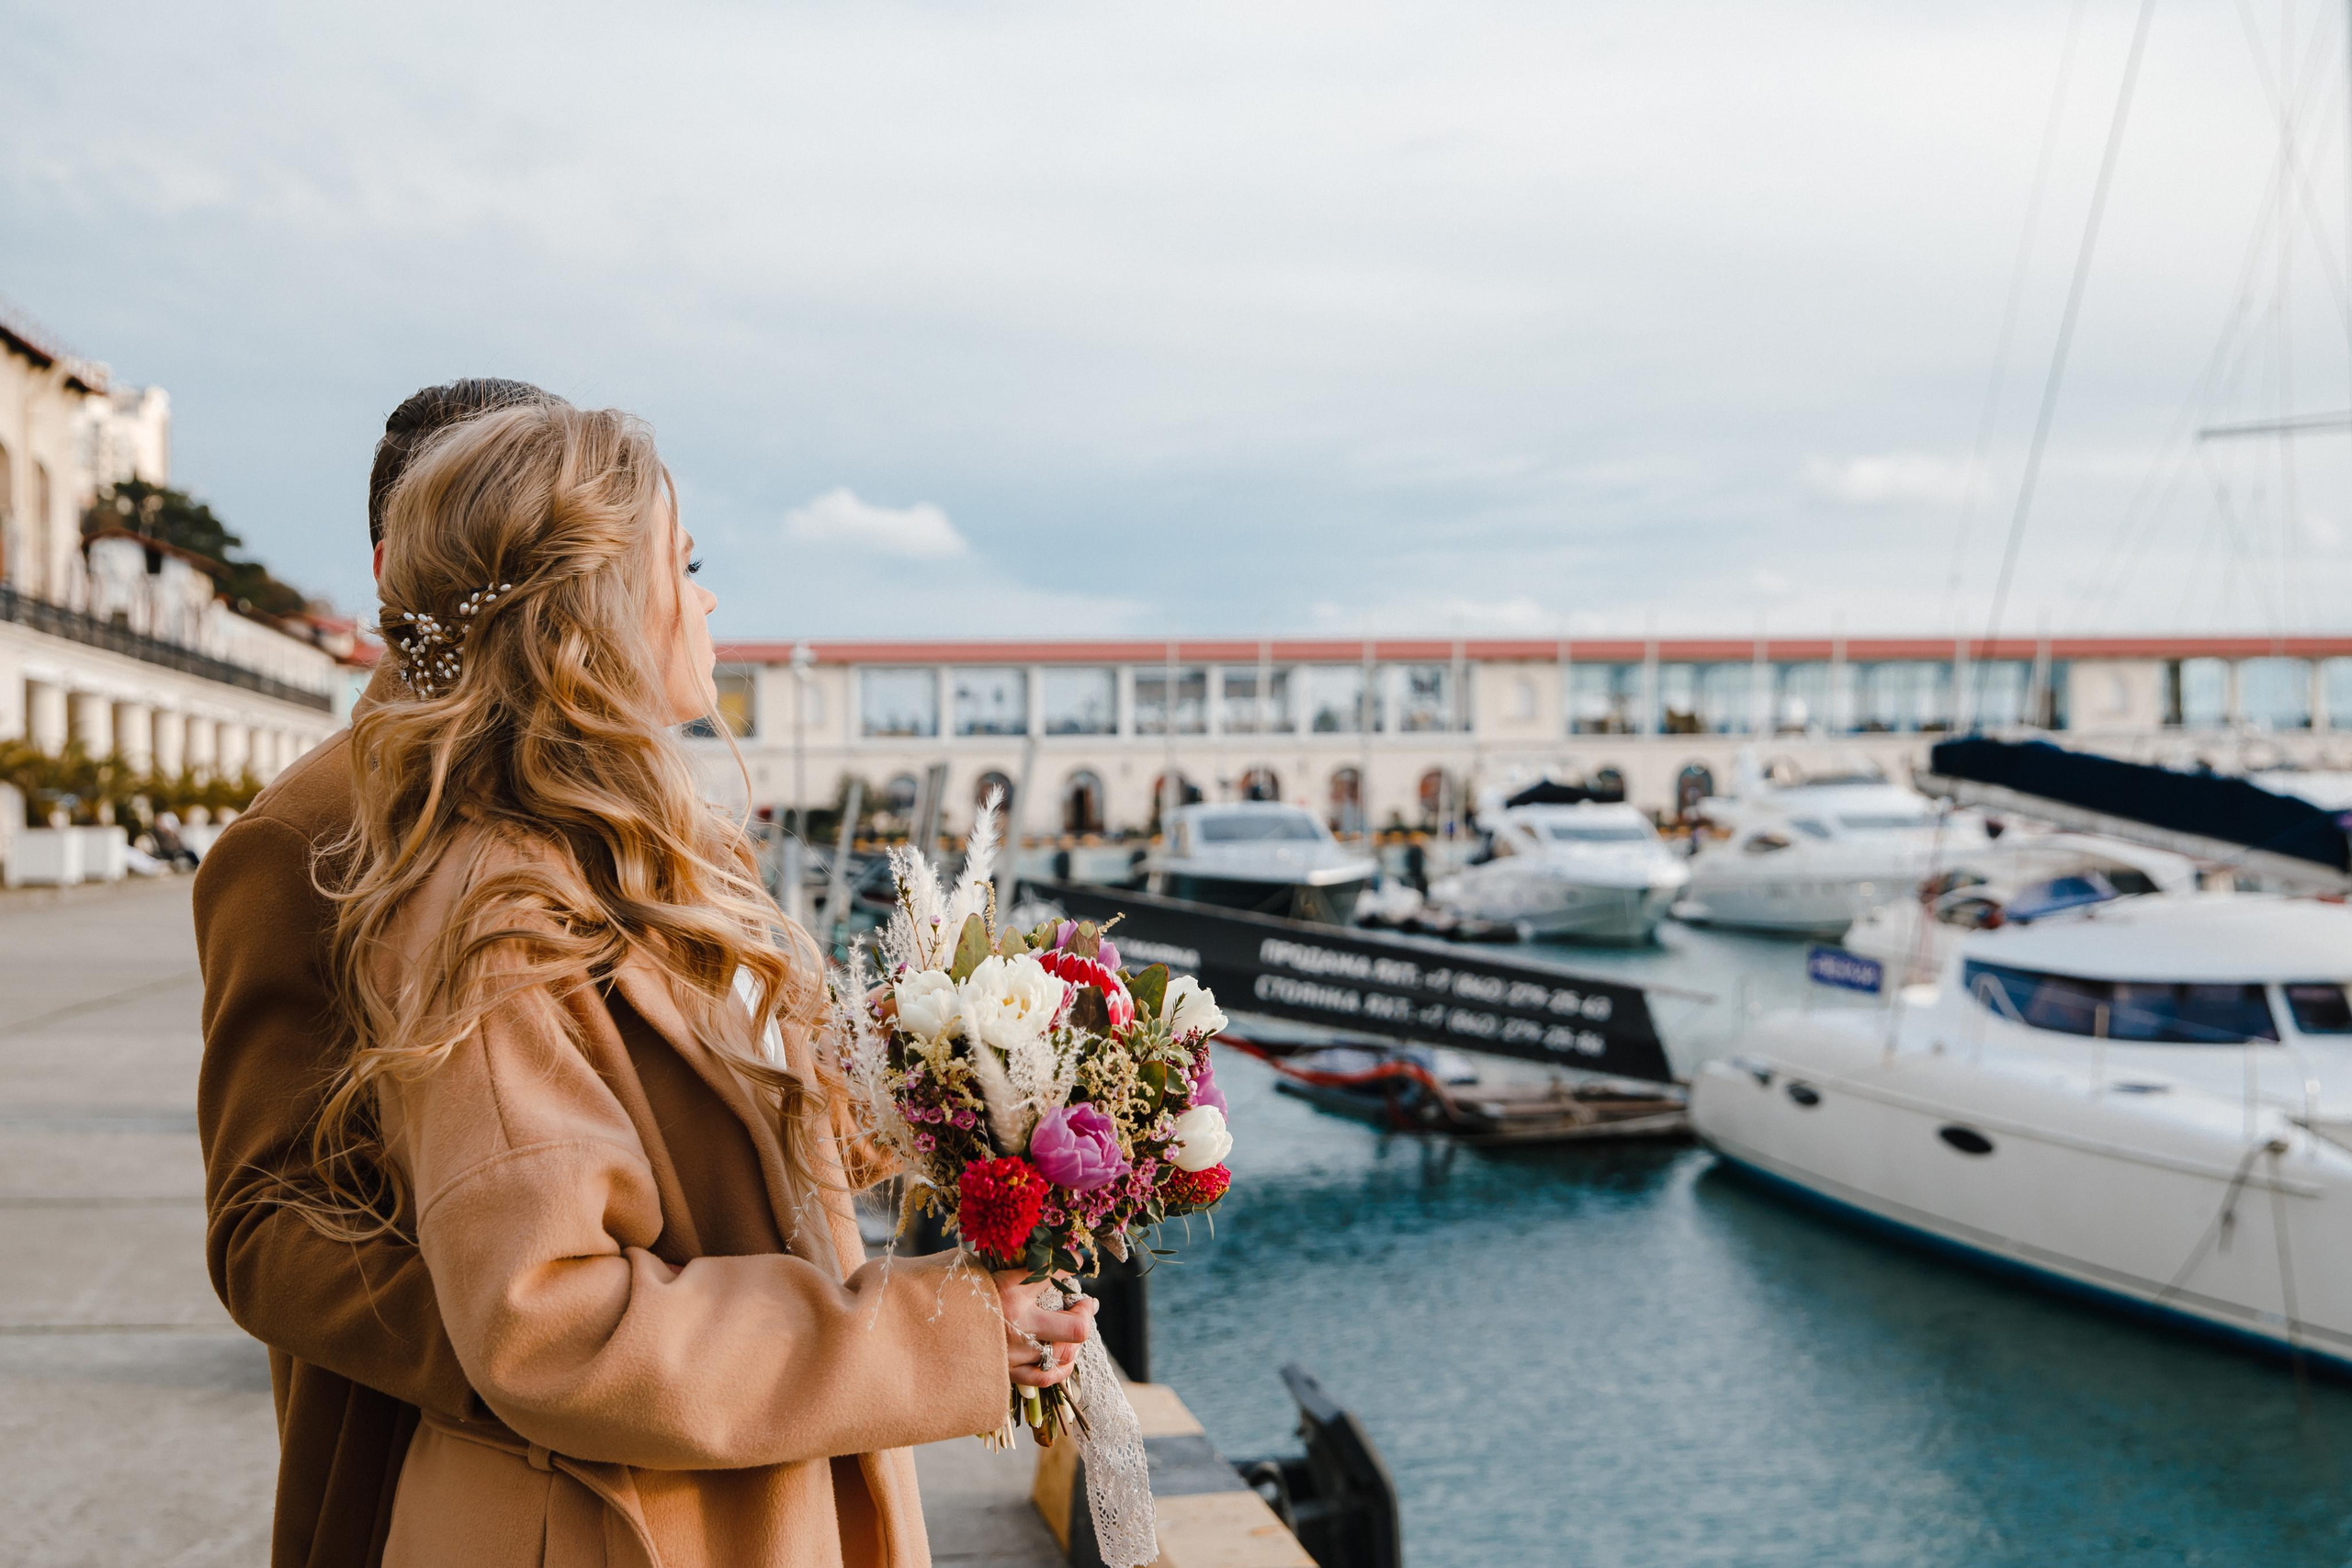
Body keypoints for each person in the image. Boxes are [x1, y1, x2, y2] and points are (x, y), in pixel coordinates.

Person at [196, 385, 1091, 1567]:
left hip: (746, 1447)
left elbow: (721, 1129)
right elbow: (282, 1230)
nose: (711, 595)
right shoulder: (410, 873)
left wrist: (970, 1099)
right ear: (590, 594)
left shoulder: (655, 833)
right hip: (592, 1485)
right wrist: (533, 1378)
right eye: (683, 560)